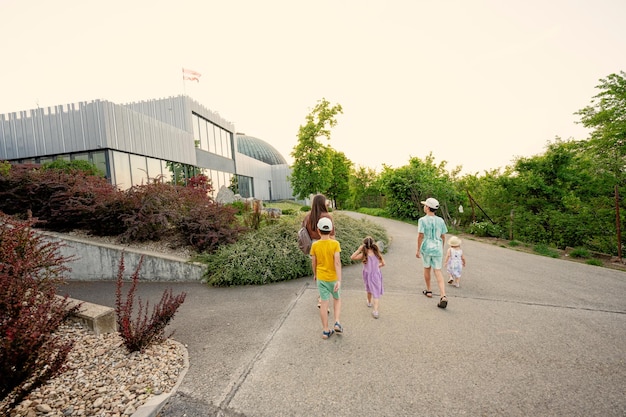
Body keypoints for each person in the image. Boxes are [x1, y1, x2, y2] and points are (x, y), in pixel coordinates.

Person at [310, 217, 343, 339]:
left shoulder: (315, 245)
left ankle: (325, 330)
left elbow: (314, 262)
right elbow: (337, 263)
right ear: (331, 230)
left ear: (318, 230)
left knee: (324, 303)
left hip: (321, 277)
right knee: (337, 299)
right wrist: (339, 280)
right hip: (333, 278)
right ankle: (337, 322)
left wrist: (315, 274)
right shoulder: (335, 244)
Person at [416, 197, 449, 309]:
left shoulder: (422, 220)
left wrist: (418, 250)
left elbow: (420, 235)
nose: (424, 207)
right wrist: (441, 247)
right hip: (437, 247)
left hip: (426, 247)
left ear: (427, 208)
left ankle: (429, 290)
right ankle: (443, 295)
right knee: (438, 271)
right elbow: (443, 236)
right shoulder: (440, 220)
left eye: (425, 205)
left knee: (427, 268)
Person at [303, 194, 335, 308]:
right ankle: (322, 298)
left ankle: (321, 295)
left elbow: (304, 233)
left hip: (314, 246)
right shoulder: (327, 216)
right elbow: (332, 235)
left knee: (318, 272)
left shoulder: (308, 217)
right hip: (326, 245)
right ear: (323, 203)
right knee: (327, 271)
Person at [350, 236, 385, 319]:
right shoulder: (377, 254)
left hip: (367, 275)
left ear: (364, 245)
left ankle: (369, 302)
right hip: (376, 275)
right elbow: (383, 264)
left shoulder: (364, 255)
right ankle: (375, 311)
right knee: (376, 293)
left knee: (369, 289)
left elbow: (352, 257)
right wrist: (376, 267)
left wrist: (359, 250)